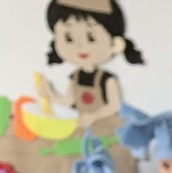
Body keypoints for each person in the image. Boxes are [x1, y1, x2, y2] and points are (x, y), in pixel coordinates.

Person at [38, 0, 145, 130]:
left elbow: (114, 106)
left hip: (105, 128)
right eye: (69, 37)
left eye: (91, 37)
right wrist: (49, 93)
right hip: (82, 128)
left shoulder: (108, 80)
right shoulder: (75, 77)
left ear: (116, 44)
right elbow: (67, 102)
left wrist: (93, 117)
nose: (80, 46)